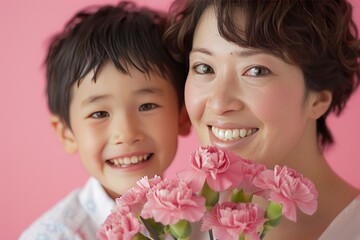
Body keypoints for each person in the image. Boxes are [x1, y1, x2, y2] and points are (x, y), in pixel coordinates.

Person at [164, 0, 360, 239]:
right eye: (204, 68)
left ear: (317, 99)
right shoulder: (173, 225)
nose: (218, 103)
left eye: (256, 70)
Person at [19, 1, 191, 239]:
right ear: (66, 133)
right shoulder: (56, 235)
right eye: (99, 114)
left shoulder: (205, 217)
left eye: (147, 106)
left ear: (182, 116)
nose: (127, 133)